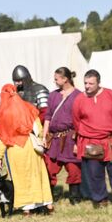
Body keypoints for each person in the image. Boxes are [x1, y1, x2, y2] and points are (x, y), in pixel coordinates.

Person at [0, 85, 53, 215]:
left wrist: (0, 157)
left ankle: (26, 208)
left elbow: (3, 138)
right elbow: (39, 130)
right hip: (30, 145)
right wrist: (40, 139)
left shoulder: (4, 113)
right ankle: (45, 204)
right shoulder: (27, 107)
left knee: (20, 179)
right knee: (36, 174)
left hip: (15, 149)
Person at [74, 69, 112, 208]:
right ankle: (99, 199)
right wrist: (88, 133)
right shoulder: (79, 99)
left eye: (91, 83)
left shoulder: (110, 94)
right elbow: (76, 121)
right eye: (85, 83)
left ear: (98, 83)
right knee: (95, 173)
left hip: (110, 140)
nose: (87, 86)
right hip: (91, 141)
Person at [43, 67, 84, 203]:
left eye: (56, 79)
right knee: (50, 168)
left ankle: (74, 197)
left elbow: (82, 120)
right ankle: (49, 198)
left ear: (65, 79)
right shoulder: (53, 95)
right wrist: (44, 136)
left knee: (74, 170)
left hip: (71, 138)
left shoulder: (79, 96)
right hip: (54, 139)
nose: (54, 81)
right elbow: (47, 117)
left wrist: (78, 142)